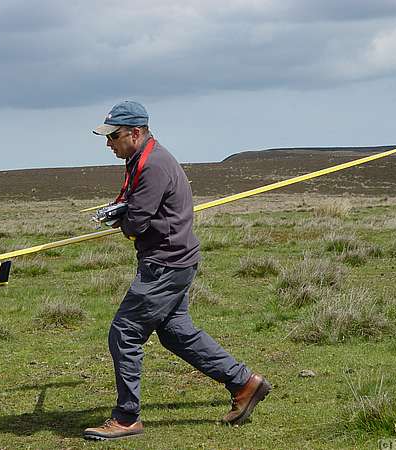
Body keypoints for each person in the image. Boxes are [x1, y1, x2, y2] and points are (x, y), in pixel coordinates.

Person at [83, 101, 271, 441]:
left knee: (124, 333)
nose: (108, 143)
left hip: (165, 263)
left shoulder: (153, 165)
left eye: (113, 136)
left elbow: (137, 222)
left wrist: (120, 220)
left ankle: (126, 418)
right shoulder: (142, 158)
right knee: (174, 332)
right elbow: (138, 212)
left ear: (135, 133)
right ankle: (244, 383)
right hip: (173, 259)